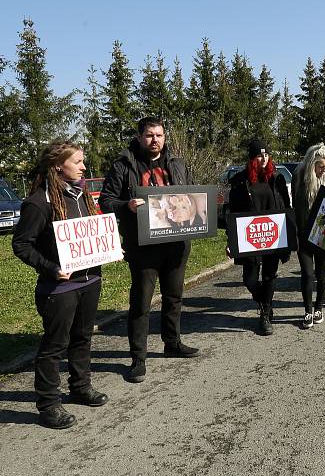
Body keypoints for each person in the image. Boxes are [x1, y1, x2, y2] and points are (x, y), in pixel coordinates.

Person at [12, 142, 108, 429]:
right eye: (77, 162)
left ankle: (80, 387)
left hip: (90, 280)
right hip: (59, 290)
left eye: (83, 161)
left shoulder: (82, 195)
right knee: (54, 347)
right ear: (58, 166)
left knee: (82, 338)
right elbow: (21, 244)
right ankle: (48, 404)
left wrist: (111, 248)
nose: (83, 167)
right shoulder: (39, 202)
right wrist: (51, 268)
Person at [99, 116, 199, 385]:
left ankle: (172, 342)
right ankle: (138, 358)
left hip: (176, 243)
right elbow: (106, 200)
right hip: (143, 245)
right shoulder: (125, 165)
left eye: (160, 135)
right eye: (149, 135)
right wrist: (126, 206)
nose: (155, 140)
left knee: (174, 296)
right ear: (140, 137)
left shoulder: (177, 164)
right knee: (141, 302)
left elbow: (190, 195)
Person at [227, 140, 291, 334]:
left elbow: (286, 208)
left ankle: (265, 314)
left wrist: (290, 235)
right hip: (250, 239)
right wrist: (231, 241)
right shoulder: (240, 181)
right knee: (250, 279)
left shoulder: (277, 178)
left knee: (270, 275)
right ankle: (265, 300)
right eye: (259, 156)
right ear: (251, 158)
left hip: (274, 237)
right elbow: (232, 214)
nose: (263, 159)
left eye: (266, 155)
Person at [292, 143, 325, 328]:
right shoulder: (298, 178)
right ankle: (307, 311)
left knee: (322, 274)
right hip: (303, 235)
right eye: (320, 166)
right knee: (308, 275)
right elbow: (294, 206)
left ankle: (319, 309)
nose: (323, 170)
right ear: (311, 164)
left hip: (322, 234)